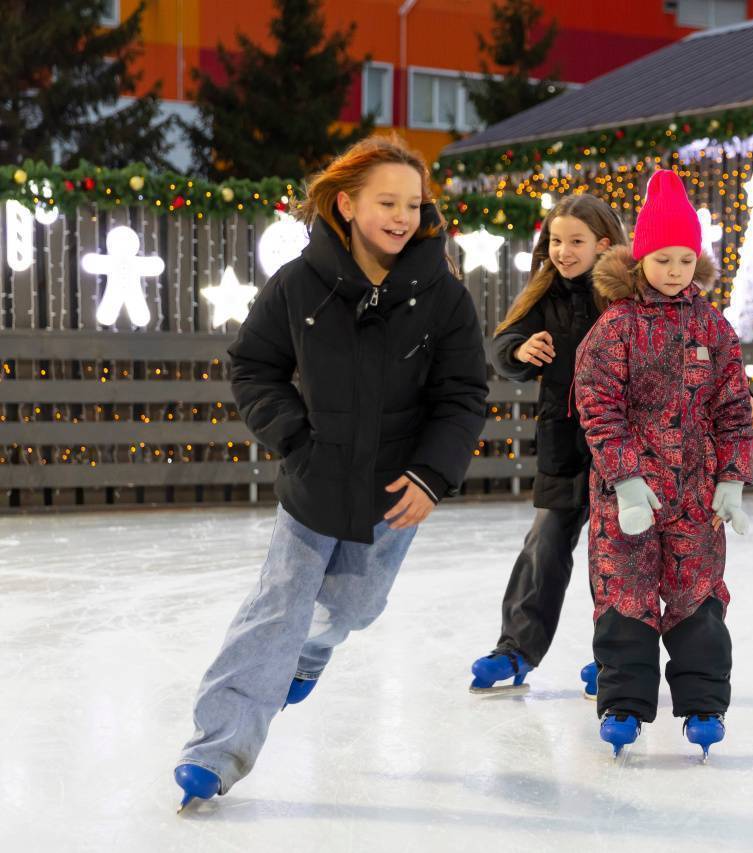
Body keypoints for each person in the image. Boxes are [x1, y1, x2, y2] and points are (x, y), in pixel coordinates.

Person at [172, 135, 488, 810]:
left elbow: (463, 393)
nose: (402, 216)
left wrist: (435, 472)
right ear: (346, 203)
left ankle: (309, 657)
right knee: (275, 612)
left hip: (395, 492)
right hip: (314, 481)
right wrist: (293, 437)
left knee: (353, 607)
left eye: (413, 203)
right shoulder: (299, 284)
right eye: (386, 201)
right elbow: (252, 365)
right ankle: (216, 748)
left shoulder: (443, 297)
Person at [573, 170, 753, 761]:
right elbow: (597, 406)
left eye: (684, 259)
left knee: (698, 593)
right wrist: (625, 479)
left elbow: (733, 406)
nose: (674, 271)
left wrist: (731, 479)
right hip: (627, 494)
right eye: (662, 259)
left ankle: (704, 705)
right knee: (625, 593)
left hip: (695, 494)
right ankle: (624, 705)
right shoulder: (617, 326)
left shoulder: (712, 326)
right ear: (640, 258)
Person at [469, 194, 626, 697]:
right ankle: (515, 650)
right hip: (563, 444)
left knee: (620, 556)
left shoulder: (630, 294)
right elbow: (501, 343)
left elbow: (684, 343)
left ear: (604, 244)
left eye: (575, 241)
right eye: (555, 240)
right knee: (545, 546)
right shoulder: (544, 295)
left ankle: (617, 661)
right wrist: (518, 348)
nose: (561, 251)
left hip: (622, 449)